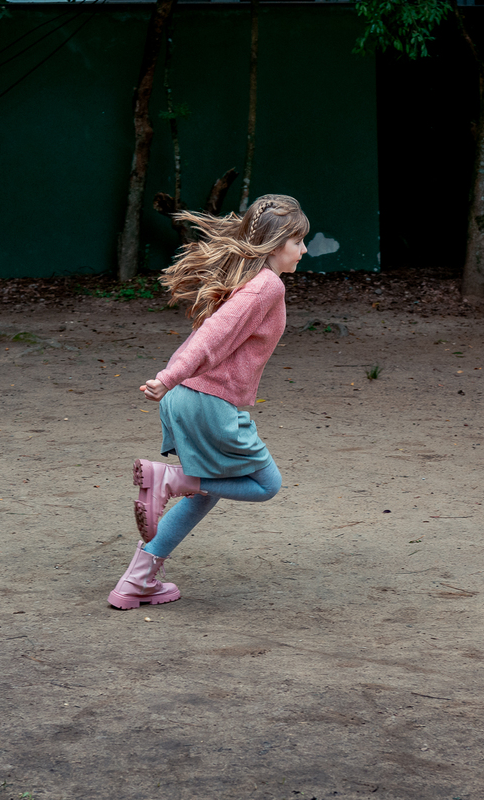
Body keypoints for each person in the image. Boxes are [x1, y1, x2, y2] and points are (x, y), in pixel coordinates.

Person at [108, 194, 309, 610]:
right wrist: (169, 376)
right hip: (206, 401)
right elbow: (211, 337)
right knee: (266, 484)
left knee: (206, 491)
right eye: (297, 241)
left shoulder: (249, 280)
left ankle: (137, 581)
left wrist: (172, 380)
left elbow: (210, 333)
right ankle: (170, 480)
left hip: (187, 398)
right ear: (275, 244)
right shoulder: (266, 286)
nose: (304, 250)